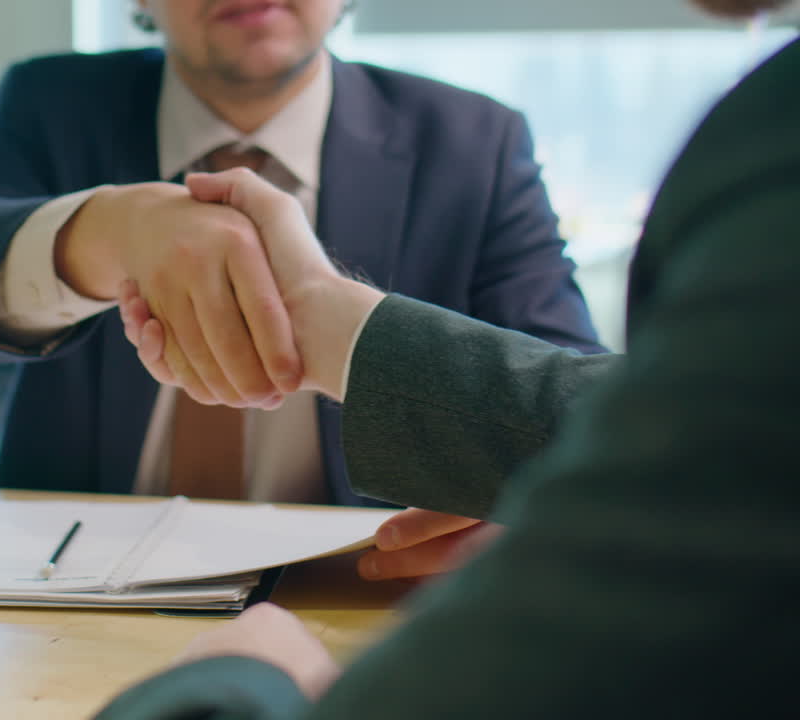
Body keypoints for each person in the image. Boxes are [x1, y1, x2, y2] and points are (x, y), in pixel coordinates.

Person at [96, 1, 800, 716]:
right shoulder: (55, 103)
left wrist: (245, 677)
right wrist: (118, 230)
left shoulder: (770, 141)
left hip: (344, 607)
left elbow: (701, 452)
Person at [0, 1, 604, 522]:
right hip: (69, 588)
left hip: (356, 592)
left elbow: (570, 404)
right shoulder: (54, 102)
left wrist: (511, 515)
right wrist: (101, 233)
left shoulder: (472, 140)